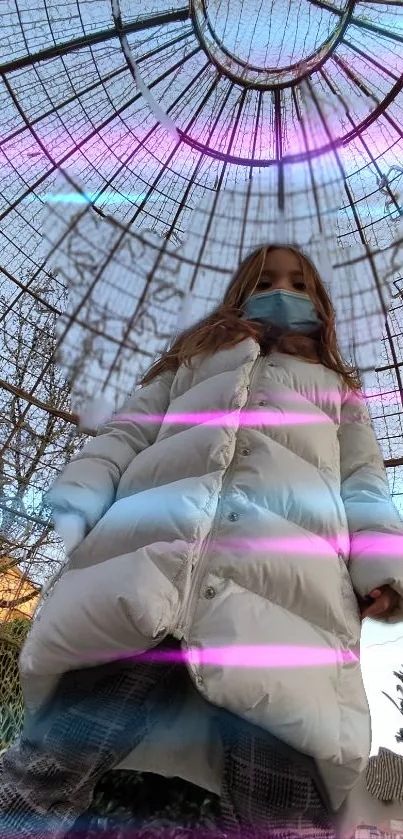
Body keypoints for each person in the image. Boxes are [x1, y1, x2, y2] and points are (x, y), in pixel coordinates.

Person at [1, 243, 402, 839]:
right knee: (50, 764)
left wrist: (383, 569)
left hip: (283, 611)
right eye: (268, 280)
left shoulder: (336, 394)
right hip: (146, 579)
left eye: (299, 284)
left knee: (280, 802)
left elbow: (364, 485)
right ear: (241, 291)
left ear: (319, 305)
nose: (284, 291)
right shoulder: (189, 366)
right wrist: (81, 497)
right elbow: (124, 436)